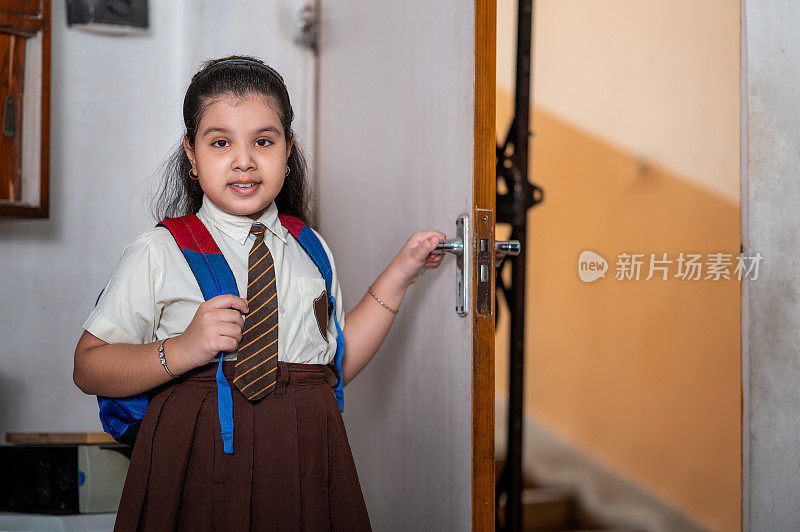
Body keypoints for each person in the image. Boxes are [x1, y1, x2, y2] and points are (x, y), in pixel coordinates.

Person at [72, 54, 445, 531]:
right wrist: (184, 348)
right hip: (197, 458)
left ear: (288, 150)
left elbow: (332, 368)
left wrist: (401, 274)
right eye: (221, 142)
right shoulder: (159, 251)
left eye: (263, 141)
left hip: (306, 452)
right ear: (191, 154)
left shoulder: (310, 248)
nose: (244, 160)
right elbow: (88, 365)